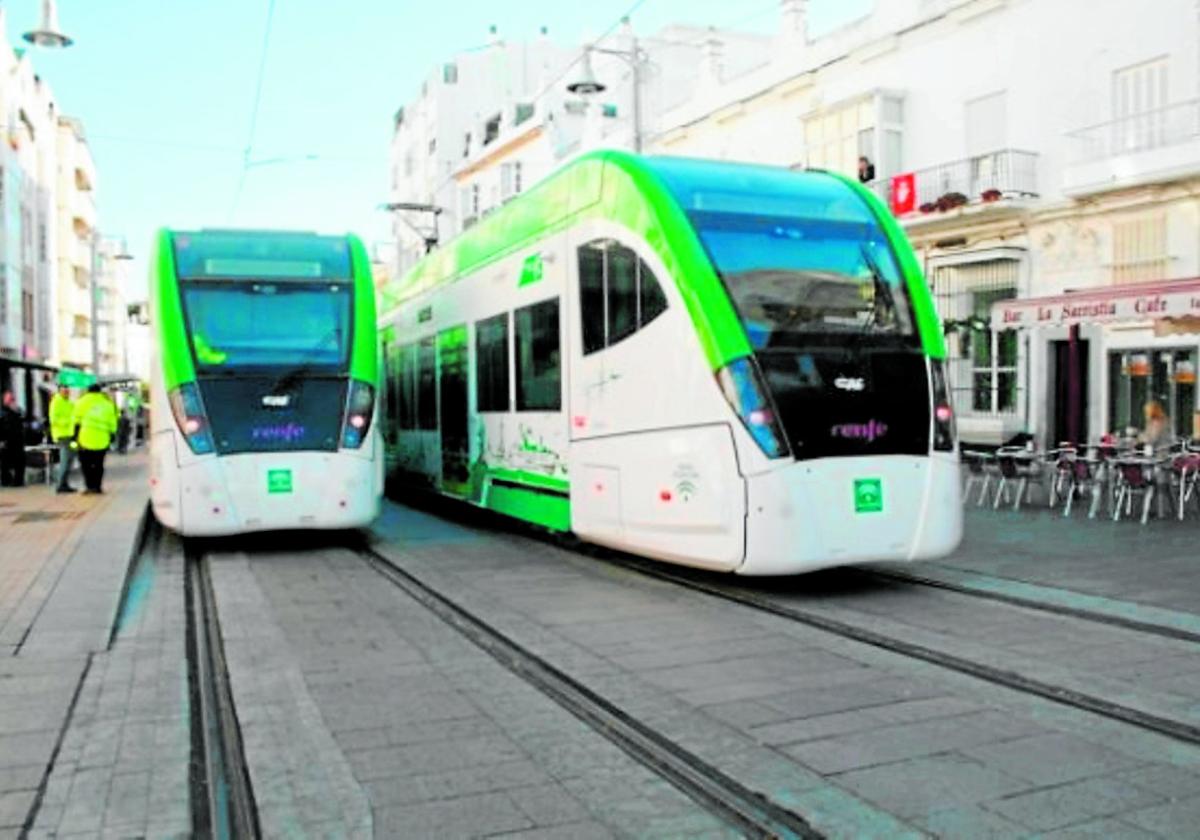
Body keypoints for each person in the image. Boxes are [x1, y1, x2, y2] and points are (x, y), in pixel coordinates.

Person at [72, 384, 118, 494]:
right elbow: (113, 422)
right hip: (102, 439)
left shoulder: (81, 402)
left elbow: (76, 421)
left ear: (88, 391)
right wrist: (112, 435)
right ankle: (97, 487)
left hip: (85, 438)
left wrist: (74, 437)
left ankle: (89, 486)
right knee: (99, 464)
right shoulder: (107, 404)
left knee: (86, 464)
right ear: (100, 391)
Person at [49, 384, 77, 493]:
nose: (66, 392)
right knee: (65, 460)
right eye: (64, 391)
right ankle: (60, 484)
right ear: (59, 391)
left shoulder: (70, 403)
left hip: (71, 436)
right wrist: (69, 422)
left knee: (70, 460)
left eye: (67, 390)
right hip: (62, 436)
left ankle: (65, 484)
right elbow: (54, 420)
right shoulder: (56, 402)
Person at [0, 390, 25, 487]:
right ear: (4, 400)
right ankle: (6, 480)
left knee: (20, 460)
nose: (10, 400)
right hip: (6, 440)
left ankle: (18, 481)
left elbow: (23, 418)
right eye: (8, 398)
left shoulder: (17, 410)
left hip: (18, 440)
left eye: (11, 398)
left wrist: (16, 410)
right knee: (5, 462)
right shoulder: (2, 412)